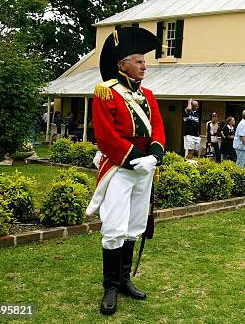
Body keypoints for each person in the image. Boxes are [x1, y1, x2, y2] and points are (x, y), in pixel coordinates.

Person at [86, 27, 165, 315]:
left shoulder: (149, 95)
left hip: (145, 167)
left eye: (145, 61)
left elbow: (158, 128)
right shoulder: (105, 93)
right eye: (139, 60)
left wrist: (154, 156)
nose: (145, 65)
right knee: (115, 225)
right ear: (122, 65)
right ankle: (110, 285)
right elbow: (106, 137)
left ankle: (124, 280)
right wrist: (134, 158)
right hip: (120, 166)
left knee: (133, 225)